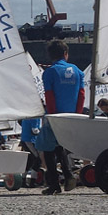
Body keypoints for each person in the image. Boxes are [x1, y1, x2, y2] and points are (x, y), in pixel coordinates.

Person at [40, 39, 85, 195]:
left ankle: (54, 184)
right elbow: (81, 95)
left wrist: (52, 116)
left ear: (50, 56)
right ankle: (68, 174)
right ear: (66, 54)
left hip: (55, 115)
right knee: (61, 146)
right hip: (71, 115)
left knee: (48, 149)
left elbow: (49, 96)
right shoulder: (78, 71)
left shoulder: (49, 73)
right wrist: (77, 115)